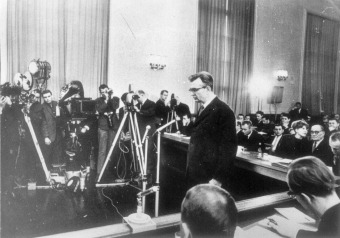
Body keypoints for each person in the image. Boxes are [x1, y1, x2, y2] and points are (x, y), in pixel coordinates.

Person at [186, 71, 237, 188]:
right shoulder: (203, 108)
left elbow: (228, 148)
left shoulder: (224, 111)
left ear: (208, 88)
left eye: (195, 90)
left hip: (209, 177)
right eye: (191, 90)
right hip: (197, 174)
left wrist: (218, 179)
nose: (192, 94)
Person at [268, 156, 340, 238]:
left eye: (294, 195)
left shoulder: (328, 224)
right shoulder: (333, 220)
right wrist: (297, 233)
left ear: (305, 197)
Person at [95, 84, 120, 179]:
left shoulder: (115, 98)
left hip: (113, 127)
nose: (104, 93)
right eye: (102, 92)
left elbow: (115, 106)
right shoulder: (98, 100)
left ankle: (110, 170)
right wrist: (105, 100)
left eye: (106, 91)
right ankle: (99, 173)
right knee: (102, 151)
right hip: (103, 127)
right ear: (100, 93)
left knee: (112, 149)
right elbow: (100, 109)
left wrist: (110, 97)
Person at [134, 90, 157, 178]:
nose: (136, 99)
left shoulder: (151, 104)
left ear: (142, 95)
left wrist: (139, 111)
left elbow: (150, 113)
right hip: (140, 130)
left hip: (148, 130)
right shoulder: (137, 105)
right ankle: (141, 169)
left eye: (137, 97)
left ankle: (148, 171)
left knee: (148, 149)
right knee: (141, 150)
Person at [41, 89, 67, 168]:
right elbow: (43, 123)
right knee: (51, 155)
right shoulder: (42, 107)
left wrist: (60, 112)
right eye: (45, 97)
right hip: (50, 134)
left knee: (60, 153)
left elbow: (64, 118)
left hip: (59, 132)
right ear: (43, 98)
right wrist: (46, 136)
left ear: (51, 95)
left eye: (49, 96)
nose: (47, 98)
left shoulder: (57, 104)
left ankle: (60, 170)